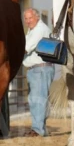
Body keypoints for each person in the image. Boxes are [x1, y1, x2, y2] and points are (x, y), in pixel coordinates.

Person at [22, 8, 57, 137]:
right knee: (37, 99)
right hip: (37, 69)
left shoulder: (39, 30)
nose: (27, 21)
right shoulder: (32, 30)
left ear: (36, 17)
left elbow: (25, 48)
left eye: (30, 18)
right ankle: (40, 128)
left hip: (40, 69)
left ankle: (37, 130)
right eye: (25, 18)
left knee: (38, 99)